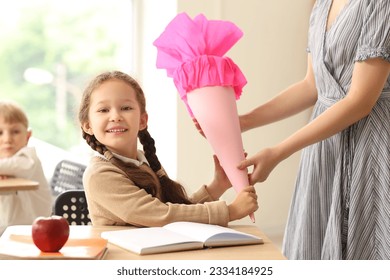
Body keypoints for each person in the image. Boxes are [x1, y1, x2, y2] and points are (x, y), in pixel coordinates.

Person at [236, 0, 390, 260]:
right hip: (324, 148)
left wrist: (277, 152)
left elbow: (360, 102)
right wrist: (244, 121)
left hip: (371, 145)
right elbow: (312, 86)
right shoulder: (321, 5)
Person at [78, 70, 258, 228]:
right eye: (103, 110)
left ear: (142, 120)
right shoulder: (99, 174)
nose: (115, 116)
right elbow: (158, 215)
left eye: (126, 108)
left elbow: (175, 210)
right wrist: (229, 211)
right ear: (87, 125)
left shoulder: (144, 163)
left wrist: (216, 187)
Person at [0, 101, 52, 235]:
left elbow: (8, 166)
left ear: (27, 136)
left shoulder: (28, 159)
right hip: (12, 227)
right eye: (0, 132)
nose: (7, 139)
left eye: (15, 132)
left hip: (34, 229)